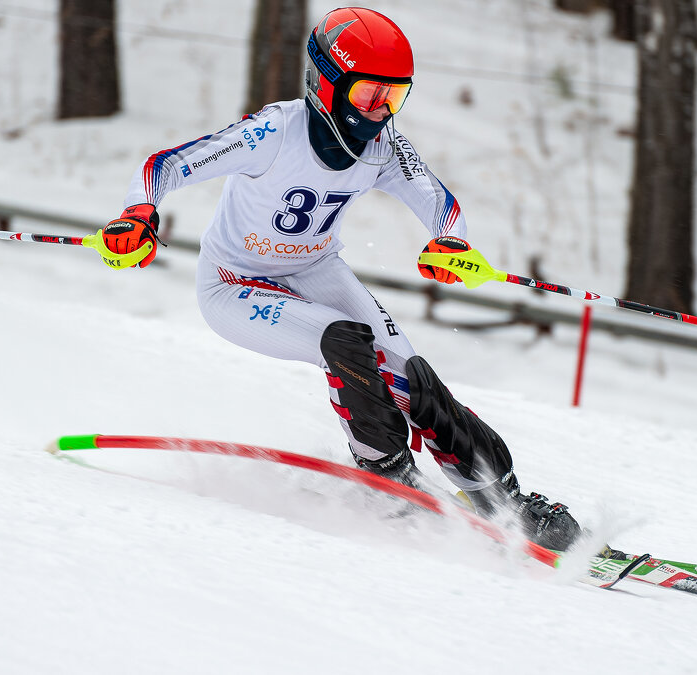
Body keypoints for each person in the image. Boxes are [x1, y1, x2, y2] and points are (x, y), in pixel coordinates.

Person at [99, 7, 606, 554]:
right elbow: (165, 165)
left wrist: (450, 241)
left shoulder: (383, 146)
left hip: (315, 268)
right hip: (234, 284)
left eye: (394, 98)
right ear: (327, 83)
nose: (380, 113)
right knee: (346, 341)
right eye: (369, 95)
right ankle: (386, 479)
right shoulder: (274, 132)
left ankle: (503, 501)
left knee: (414, 378)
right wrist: (138, 213)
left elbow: (438, 200)